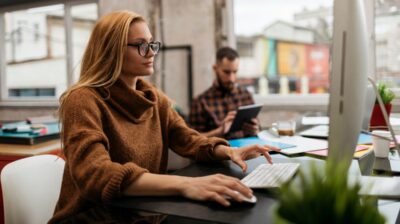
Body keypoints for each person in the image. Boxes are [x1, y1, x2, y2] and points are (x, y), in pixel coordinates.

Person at [49, 11, 279, 224]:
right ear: (111, 50)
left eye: (151, 44)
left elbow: (188, 139)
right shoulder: (82, 99)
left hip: (141, 213)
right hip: (92, 219)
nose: (151, 53)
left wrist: (228, 151)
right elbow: (95, 174)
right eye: (140, 45)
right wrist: (185, 185)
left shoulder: (152, 97)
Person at [189, 47, 260, 139]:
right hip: (219, 152)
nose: (231, 78)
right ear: (215, 68)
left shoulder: (246, 95)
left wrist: (256, 130)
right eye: (226, 72)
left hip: (247, 151)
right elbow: (192, 140)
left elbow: (258, 130)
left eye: (235, 72)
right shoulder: (200, 102)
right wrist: (220, 131)